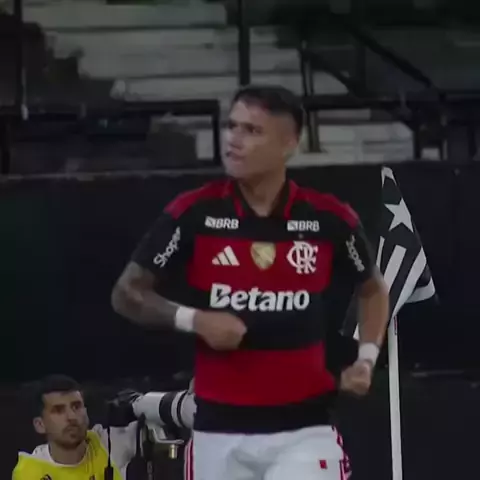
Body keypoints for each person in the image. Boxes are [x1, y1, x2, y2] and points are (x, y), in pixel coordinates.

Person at [111, 84, 390, 480]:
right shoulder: (194, 212)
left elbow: (373, 288)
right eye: (232, 126)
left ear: (289, 143)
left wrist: (366, 358)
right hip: (216, 430)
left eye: (252, 130)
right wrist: (195, 319)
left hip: (304, 430)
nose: (234, 140)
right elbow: (127, 293)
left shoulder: (329, 218)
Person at [12, 374, 195, 479]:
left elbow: (177, 417)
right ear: (40, 425)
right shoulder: (30, 471)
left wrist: (136, 405)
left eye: (76, 406)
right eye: (59, 410)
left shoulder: (106, 442)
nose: (71, 417)